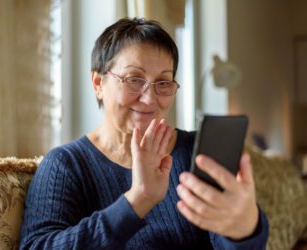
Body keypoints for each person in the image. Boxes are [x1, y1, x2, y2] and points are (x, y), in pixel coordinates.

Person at [19, 17, 269, 249]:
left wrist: (245, 228)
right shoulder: (66, 165)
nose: (150, 99)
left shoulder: (197, 151)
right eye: (134, 79)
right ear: (98, 84)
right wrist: (137, 201)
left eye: (163, 82)